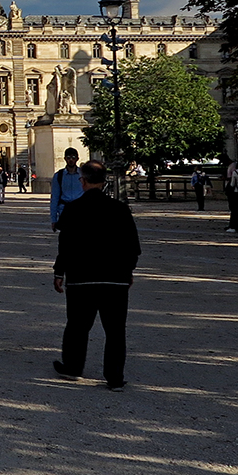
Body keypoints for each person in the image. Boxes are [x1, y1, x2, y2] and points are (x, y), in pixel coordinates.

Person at [52, 160, 140, 391]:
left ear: (83, 181)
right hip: (115, 278)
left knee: (77, 326)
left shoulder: (73, 209)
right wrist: (128, 271)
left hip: (83, 278)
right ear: (104, 181)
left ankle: (73, 367)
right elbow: (133, 246)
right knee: (115, 331)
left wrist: (59, 272)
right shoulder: (120, 209)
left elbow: (66, 245)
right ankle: (114, 378)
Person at [49, 148, 84, 232]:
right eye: (68, 157)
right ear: (65, 159)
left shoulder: (83, 175)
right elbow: (54, 198)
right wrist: (53, 219)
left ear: (77, 159)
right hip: (64, 211)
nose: (71, 160)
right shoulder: (59, 176)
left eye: (73, 157)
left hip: (80, 210)